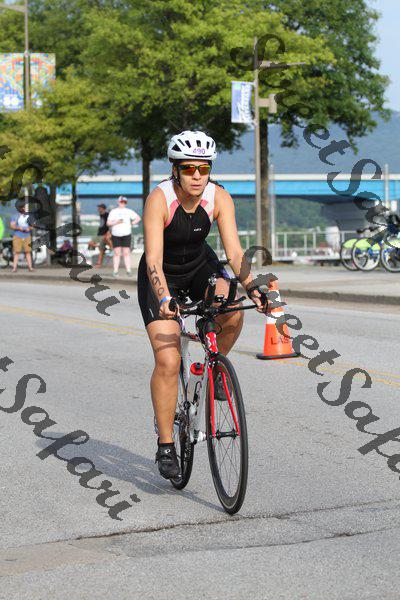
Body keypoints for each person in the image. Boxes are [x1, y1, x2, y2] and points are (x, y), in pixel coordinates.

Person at [137, 130, 268, 480]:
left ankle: (214, 369)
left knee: (232, 309)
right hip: (161, 276)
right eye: (189, 168)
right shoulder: (159, 199)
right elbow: (153, 259)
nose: (197, 176)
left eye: (204, 168)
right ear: (175, 170)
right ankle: (166, 444)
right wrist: (164, 298)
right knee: (168, 361)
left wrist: (253, 287)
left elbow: (235, 252)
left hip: (198, 268)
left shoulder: (218, 197)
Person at [107, 196, 141, 277]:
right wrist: (116, 222)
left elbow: (138, 218)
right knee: (117, 253)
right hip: (116, 234)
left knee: (126, 252)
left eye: (124, 202)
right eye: (121, 202)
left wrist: (132, 223)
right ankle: (115, 271)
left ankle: (128, 271)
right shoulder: (113, 211)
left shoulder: (129, 211)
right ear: (118, 202)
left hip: (126, 234)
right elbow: (108, 223)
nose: (122, 203)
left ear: (126, 203)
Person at [10, 201, 35, 273]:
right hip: (18, 235)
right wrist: (19, 228)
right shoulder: (15, 216)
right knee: (17, 252)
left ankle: (30, 267)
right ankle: (14, 268)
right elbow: (12, 225)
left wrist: (29, 228)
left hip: (27, 235)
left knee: (28, 251)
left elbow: (32, 225)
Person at [92, 203, 112, 267]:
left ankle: (99, 263)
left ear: (103, 208)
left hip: (104, 234)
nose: (98, 209)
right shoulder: (101, 215)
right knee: (91, 244)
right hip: (99, 234)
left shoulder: (106, 214)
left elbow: (109, 224)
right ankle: (104, 248)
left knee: (101, 249)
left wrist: (108, 232)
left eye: (99, 208)